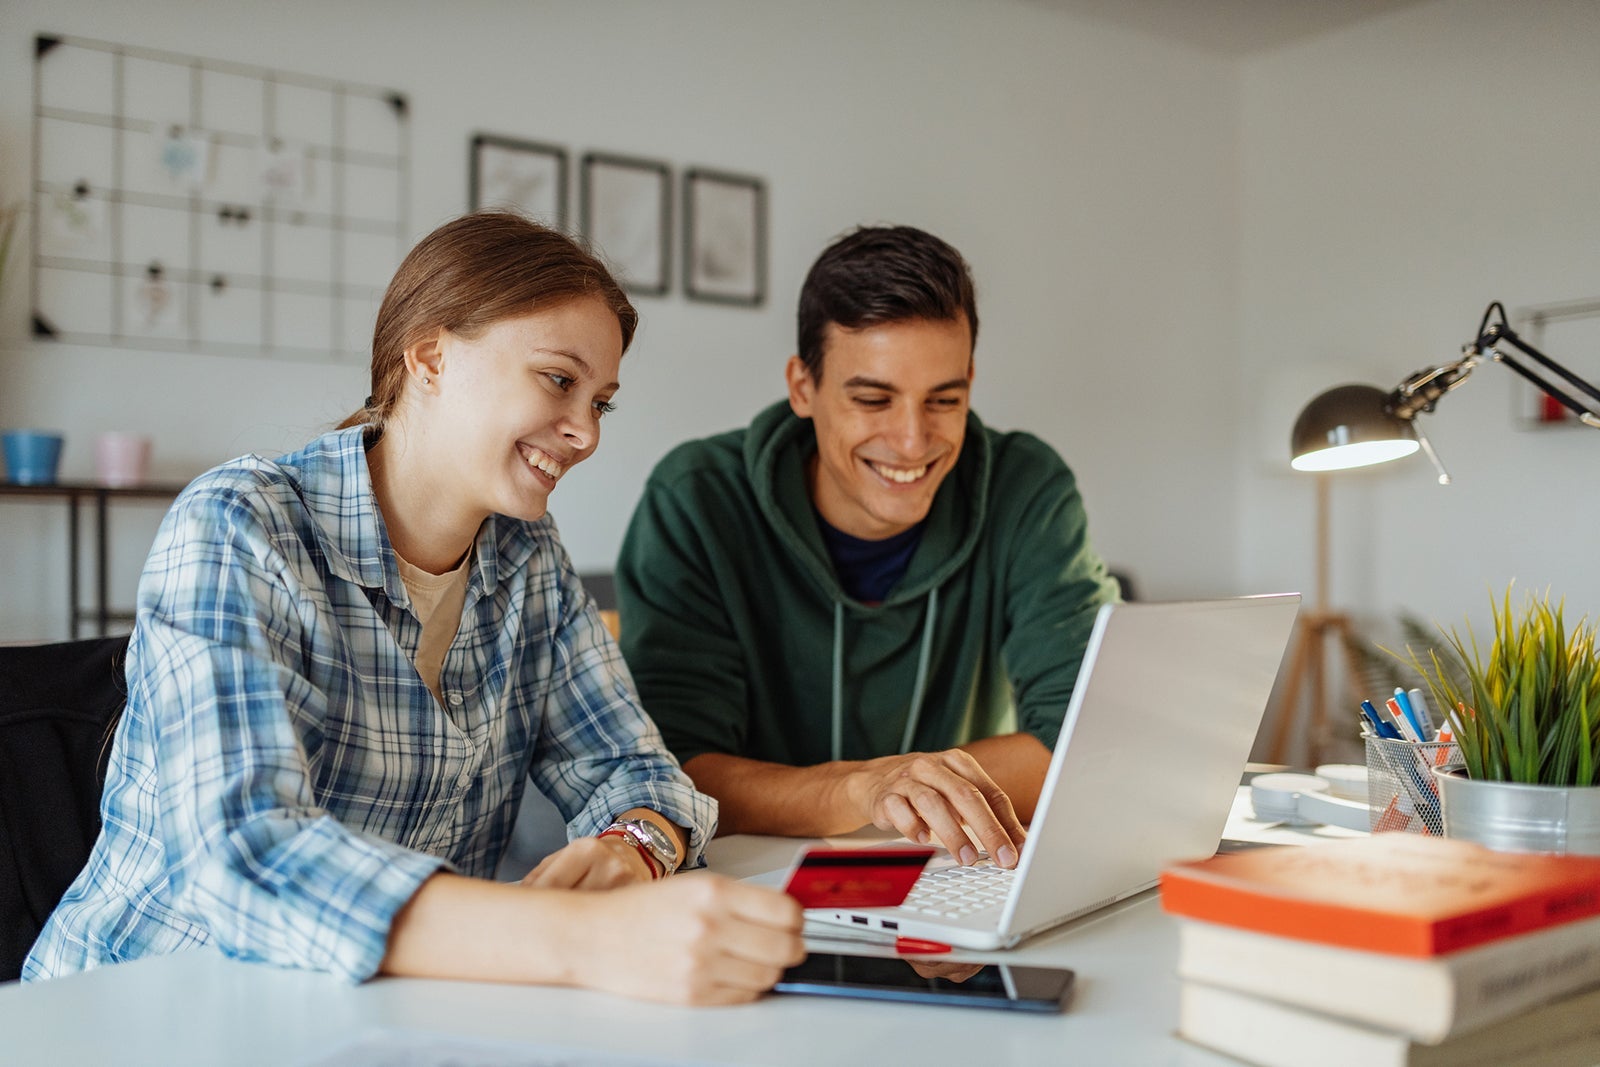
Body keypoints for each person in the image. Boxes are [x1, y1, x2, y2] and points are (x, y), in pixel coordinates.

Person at [24, 212, 803, 1005]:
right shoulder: (241, 523)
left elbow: (636, 770)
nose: (584, 432)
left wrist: (631, 845)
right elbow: (245, 856)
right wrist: (579, 939)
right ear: (430, 356)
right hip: (140, 1011)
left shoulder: (528, 560)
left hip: (372, 1015)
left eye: (602, 402)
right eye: (559, 380)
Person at [616, 225, 1119, 869]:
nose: (913, 441)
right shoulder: (696, 499)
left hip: (955, 870)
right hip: (757, 881)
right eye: (874, 399)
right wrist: (866, 789)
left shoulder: (1027, 488)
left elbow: (1090, 734)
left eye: (944, 399)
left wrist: (903, 791)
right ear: (803, 387)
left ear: (970, 380)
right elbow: (675, 768)